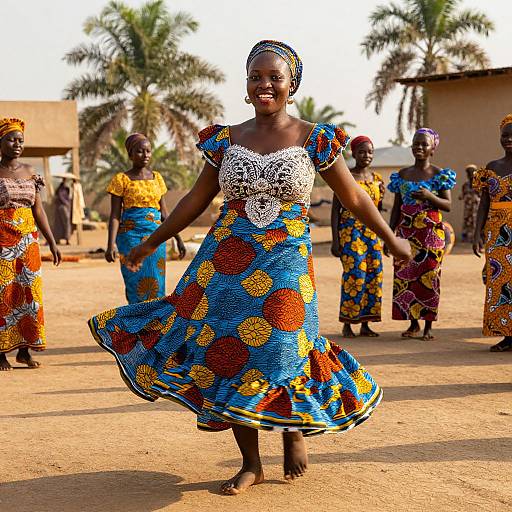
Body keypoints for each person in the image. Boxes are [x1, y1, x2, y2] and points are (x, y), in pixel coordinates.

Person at [89, 40, 411, 495]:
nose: (264, 85)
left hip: (286, 258)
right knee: (228, 351)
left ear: (291, 85)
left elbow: (353, 197)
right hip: (227, 262)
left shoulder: (314, 138)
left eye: (274, 77)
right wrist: (151, 241)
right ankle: (251, 462)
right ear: (245, 85)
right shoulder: (226, 139)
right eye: (255, 77)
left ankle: (293, 429)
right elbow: (195, 200)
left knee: (284, 343)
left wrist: (390, 237)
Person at [0, 117, 61, 370]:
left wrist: (52, 241)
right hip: (2, 240)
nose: (17, 144)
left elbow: (39, 210)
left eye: (20, 140)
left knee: (29, 294)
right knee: (4, 294)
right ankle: (0, 352)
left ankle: (24, 351)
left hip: (28, 242)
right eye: (11, 140)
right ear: (0, 142)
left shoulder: (31, 172)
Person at [387, 128, 456, 340]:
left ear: (432, 148)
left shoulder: (439, 174)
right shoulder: (402, 175)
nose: (419, 147)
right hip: (407, 232)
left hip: (430, 234)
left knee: (429, 277)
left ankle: (428, 326)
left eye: (424, 144)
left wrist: (429, 196)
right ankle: (413, 323)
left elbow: (448, 205)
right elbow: (396, 208)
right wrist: (390, 237)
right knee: (405, 276)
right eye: (416, 143)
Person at [104, 133, 185, 304]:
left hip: (157, 237)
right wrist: (110, 244)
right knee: (135, 282)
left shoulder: (157, 178)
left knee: (157, 282)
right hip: (130, 237)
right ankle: (137, 324)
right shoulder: (121, 180)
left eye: (148, 151)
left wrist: (178, 239)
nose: (145, 155)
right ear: (130, 154)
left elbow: (164, 213)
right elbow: (115, 216)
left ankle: (155, 325)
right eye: (140, 151)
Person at [331, 135, 384, 337]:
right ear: (353, 153)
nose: (366, 156)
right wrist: (336, 241)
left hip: (372, 235)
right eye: (362, 151)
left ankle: (365, 324)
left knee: (374, 276)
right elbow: (335, 210)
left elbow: (378, 211)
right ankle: (348, 323)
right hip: (350, 233)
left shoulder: (377, 180)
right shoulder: (346, 178)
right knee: (355, 276)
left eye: (370, 152)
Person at [472, 114, 512, 352]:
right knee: (499, 282)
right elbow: (484, 204)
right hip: (496, 232)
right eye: (505, 135)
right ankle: (506, 335)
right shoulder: (491, 168)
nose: (509, 139)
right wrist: (477, 233)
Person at [459, 164, 480, 243]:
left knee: (477, 222)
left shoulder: (479, 184)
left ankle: (478, 240)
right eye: (469, 172)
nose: (470, 174)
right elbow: (462, 195)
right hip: (468, 207)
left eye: (472, 172)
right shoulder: (465, 185)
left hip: (476, 207)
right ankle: (467, 239)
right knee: (467, 222)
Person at [53, 178, 72, 245]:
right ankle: (66, 239)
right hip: (62, 207)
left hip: (64, 207)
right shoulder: (61, 189)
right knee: (65, 223)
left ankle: (65, 239)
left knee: (61, 223)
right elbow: (61, 198)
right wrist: (67, 204)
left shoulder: (67, 189)